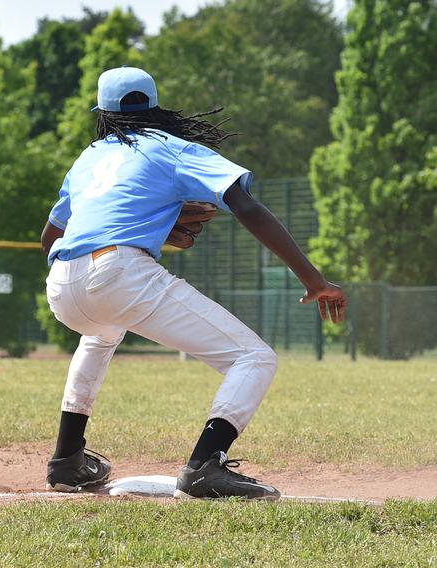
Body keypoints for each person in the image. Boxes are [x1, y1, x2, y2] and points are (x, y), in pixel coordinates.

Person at [40, 67, 347, 499]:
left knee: (100, 333)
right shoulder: (171, 147)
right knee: (254, 358)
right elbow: (246, 207)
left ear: (104, 114)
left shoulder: (89, 156)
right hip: (119, 273)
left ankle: (67, 460)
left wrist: (81, 276)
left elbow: (49, 237)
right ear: (154, 106)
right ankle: (205, 465)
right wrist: (314, 280)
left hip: (61, 279)